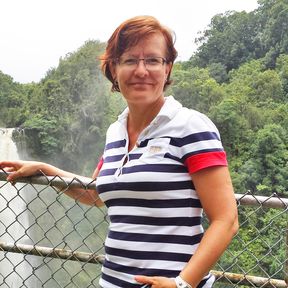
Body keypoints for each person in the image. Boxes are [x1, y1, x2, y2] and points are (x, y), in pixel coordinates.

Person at [0, 16, 238, 288]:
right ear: (114, 69)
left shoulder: (191, 126)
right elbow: (97, 193)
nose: (141, 70)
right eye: (129, 60)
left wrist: (182, 283)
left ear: (167, 68)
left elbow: (226, 219)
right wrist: (46, 170)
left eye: (152, 60)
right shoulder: (116, 132)